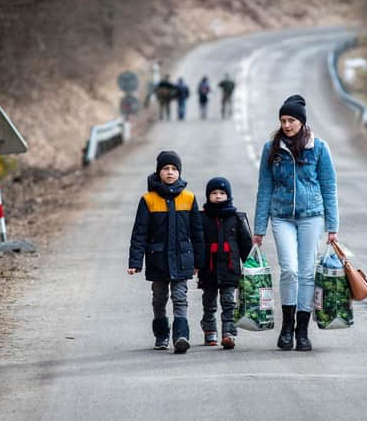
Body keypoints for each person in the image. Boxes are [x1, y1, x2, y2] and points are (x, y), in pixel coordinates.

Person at [253, 94, 339, 352]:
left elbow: (329, 187)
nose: (287, 125)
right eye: (283, 120)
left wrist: (332, 227)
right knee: (289, 270)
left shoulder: (319, 148)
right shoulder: (271, 149)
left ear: (301, 121)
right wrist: (259, 228)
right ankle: (286, 327)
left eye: (291, 120)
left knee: (306, 272)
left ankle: (302, 331)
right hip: (281, 216)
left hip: (312, 215)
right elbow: (264, 189)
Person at [128, 151, 204, 354]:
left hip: (181, 259)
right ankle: (161, 335)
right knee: (159, 298)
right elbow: (140, 233)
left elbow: (197, 233)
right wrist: (135, 262)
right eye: (165, 169)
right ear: (158, 172)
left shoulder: (189, 199)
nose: (170, 172)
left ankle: (181, 336)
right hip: (157, 259)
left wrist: (199, 261)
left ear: (179, 172)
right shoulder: (148, 200)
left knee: (180, 297)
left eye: (174, 169)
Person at [197, 177, 252, 349]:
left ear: (228, 195)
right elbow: (196, 243)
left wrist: (250, 264)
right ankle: (209, 331)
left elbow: (245, 245)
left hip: (230, 268)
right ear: (208, 196)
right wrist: (195, 264)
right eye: (214, 193)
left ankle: (229, 333)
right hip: (208, 269)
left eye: (222, 193)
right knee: (209, 303)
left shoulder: (236, 218)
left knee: (229, 303)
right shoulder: (202, 218)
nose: (218, 196)